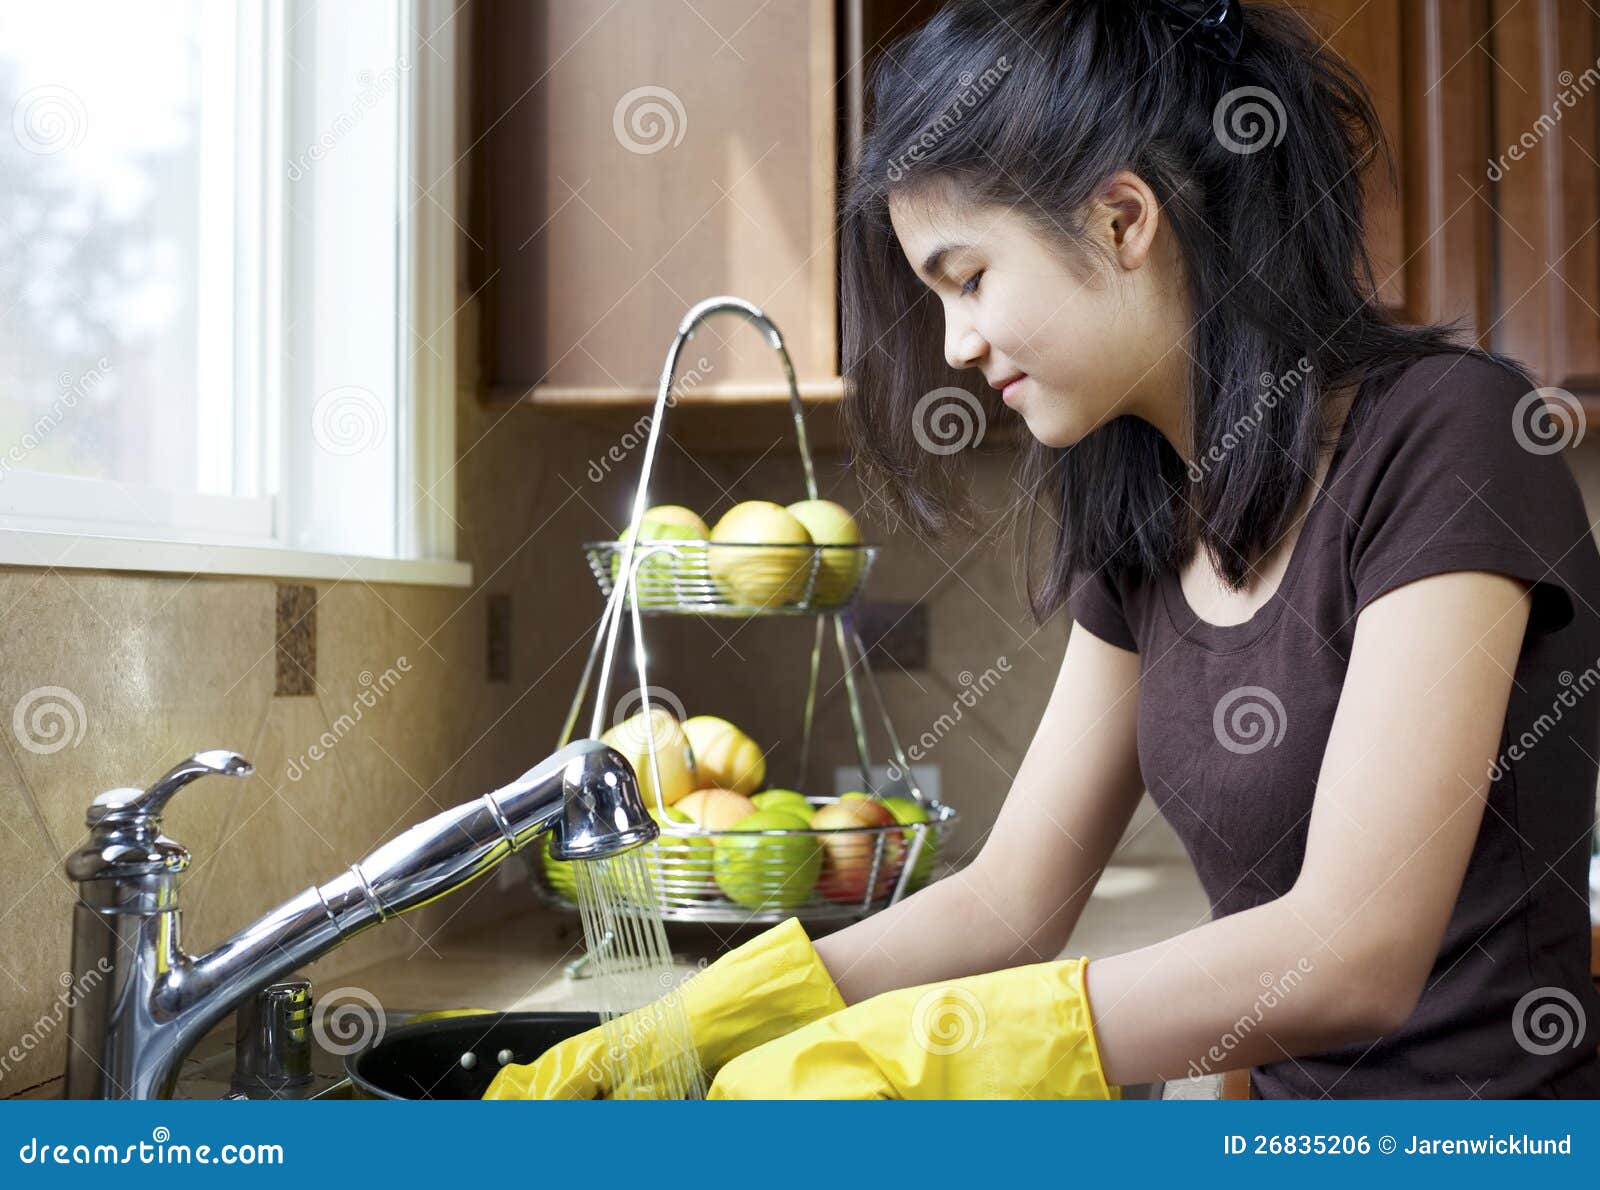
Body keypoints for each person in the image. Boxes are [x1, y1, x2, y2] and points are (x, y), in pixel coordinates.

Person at [485, 0, 1600, 1100]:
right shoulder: (1150, 512)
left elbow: (1355, 949)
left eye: (967, 279)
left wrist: (935, 1044)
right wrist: (712, 1019)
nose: (956, 344)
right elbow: (1011, 898)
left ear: (1122, 220)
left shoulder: (1451, 436)